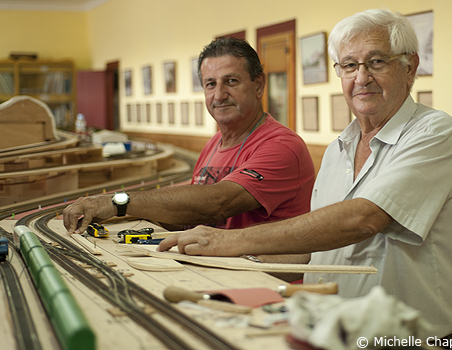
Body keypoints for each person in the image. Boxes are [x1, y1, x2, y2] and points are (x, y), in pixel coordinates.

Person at [158, 9, 452, 340]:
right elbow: (314, 249)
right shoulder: (340, 147)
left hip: (409, 339)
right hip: (334, 333)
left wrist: (228, 241)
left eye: (377, 62)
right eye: (349, 65)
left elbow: (363, 219)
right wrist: (233, 261)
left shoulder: (435, 132)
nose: (361, 77)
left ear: (410, 66)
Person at [63, 37, 315, 237]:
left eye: (231, 81)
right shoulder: (214, 144)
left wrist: (118, 203)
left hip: (267, 284)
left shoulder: (281, 146)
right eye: (210, 84)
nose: (219, 95)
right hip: (216, 270)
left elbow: (218, 202)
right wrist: (117, 214)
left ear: (258, 85)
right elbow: (193, 213)